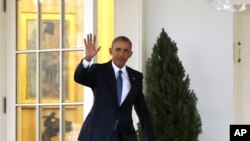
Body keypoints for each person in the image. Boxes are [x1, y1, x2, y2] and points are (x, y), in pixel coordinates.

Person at [74, 33, 156, 141]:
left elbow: (142, 110)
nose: (121, 54)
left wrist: (151, 137)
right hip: (97, 134)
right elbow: (79, 78)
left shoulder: (136, 76)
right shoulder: (98, 71)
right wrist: (87, 59)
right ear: (110, 51)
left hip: (125, 135)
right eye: (118, 49)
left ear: (130, 54)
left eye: (125, 50)